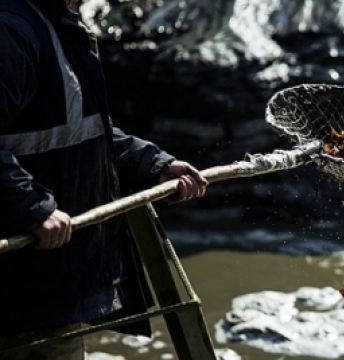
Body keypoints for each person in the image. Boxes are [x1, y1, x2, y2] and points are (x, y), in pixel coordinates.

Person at [0, 0, 208, 358]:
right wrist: (31, 208)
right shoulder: (11, 31)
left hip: (48, 287)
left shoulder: (50, 24)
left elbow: (84, 128)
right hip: (15, 294)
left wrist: (151, 163)